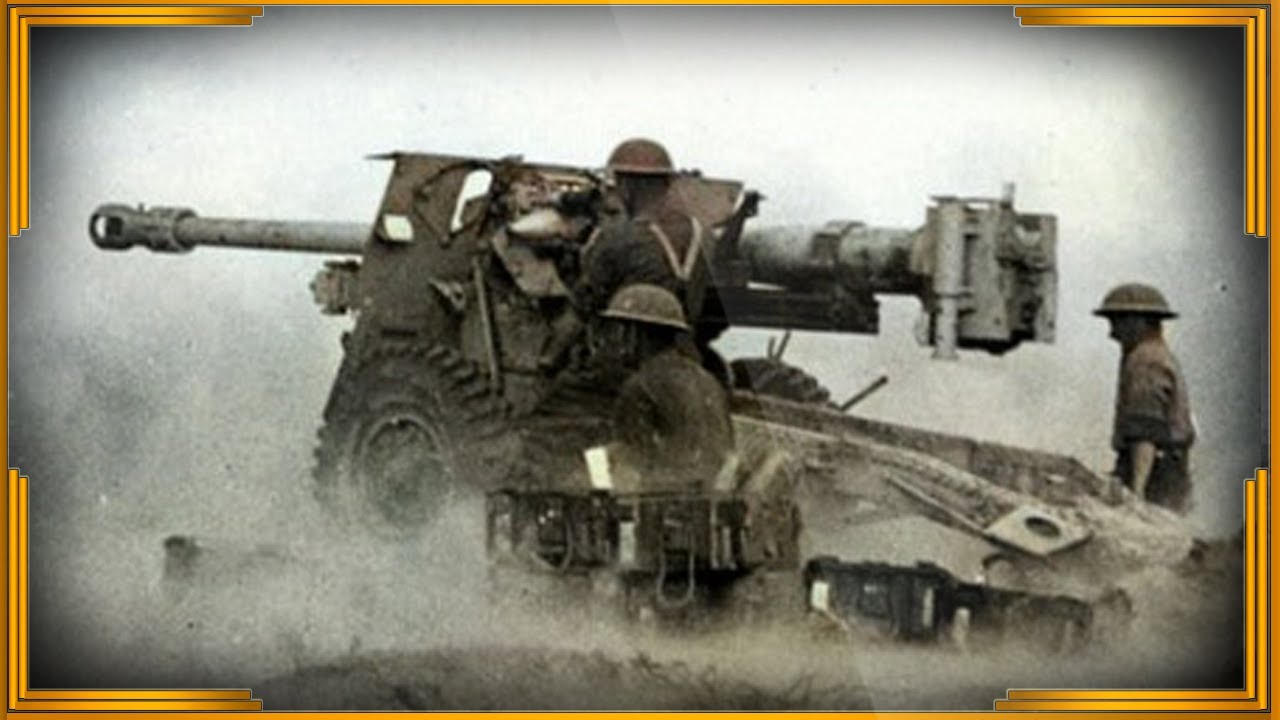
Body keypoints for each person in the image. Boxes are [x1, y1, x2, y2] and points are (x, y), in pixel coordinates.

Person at [539, 138, 711, 371]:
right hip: (688, 360)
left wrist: (549, 359)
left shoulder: (618, 239)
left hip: (630, 366)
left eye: (618, 182)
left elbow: (579, 312)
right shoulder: (704, 235)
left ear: (629, 186)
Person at [596, 283, 734, 492]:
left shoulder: (641, 385)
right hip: (711, 491)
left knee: (595, 461)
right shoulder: (706, 379)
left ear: (635, 334)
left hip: (663, 496)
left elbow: (633, 458)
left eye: (622, 330)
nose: (619, 340)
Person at [1094, 282, 1196, 511]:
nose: (1112, 333)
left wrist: (1137, 493)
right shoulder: (1157, 355)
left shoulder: (1146, 361)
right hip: (1166, 469)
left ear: (1138, 322)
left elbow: (1145, 430)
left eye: (1117, 322)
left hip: (1154, 476)